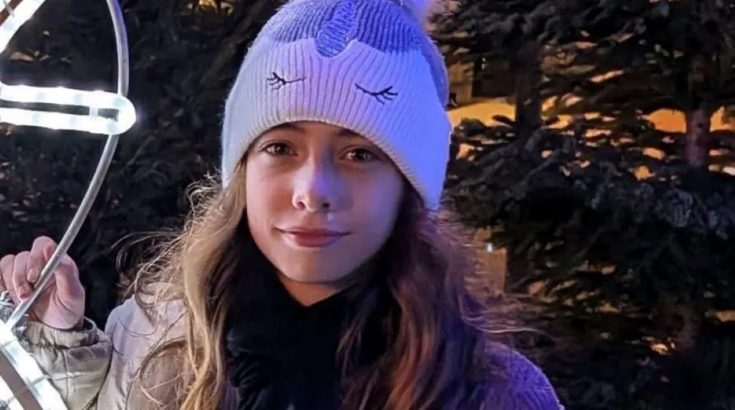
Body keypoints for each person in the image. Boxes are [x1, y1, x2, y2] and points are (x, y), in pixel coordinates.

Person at [0, 0, 564, 409]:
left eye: (360, 154)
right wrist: (57, 347)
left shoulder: (493, 392)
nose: (312, 190)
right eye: (280, 147)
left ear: (409, 185)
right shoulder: (153, 340)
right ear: (243, 168)